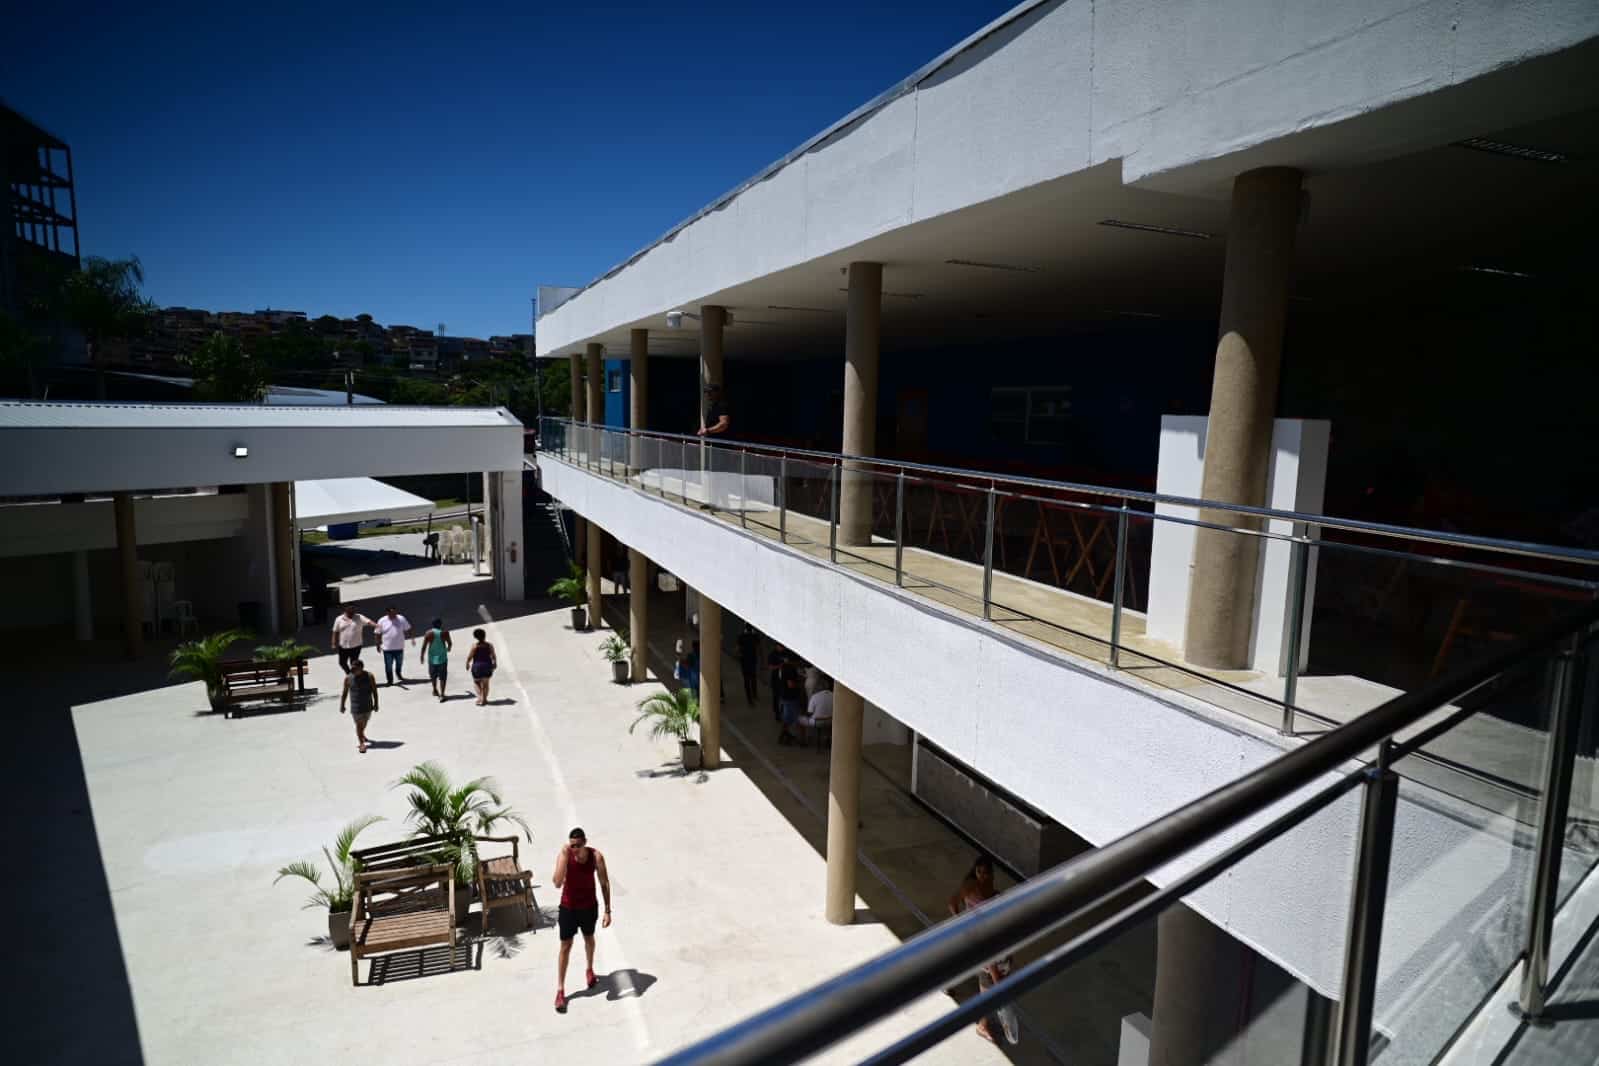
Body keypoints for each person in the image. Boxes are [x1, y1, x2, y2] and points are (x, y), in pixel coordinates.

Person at [947, 854, 1019, 1046]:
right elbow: (952, 902)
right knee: (986, 985)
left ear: (992, 875)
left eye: (986, 873)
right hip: (977, 940)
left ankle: (949, 984)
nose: (983, 876)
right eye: (979, 872)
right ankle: (983, 1025)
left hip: (984, 943)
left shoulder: (997, 897)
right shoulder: (969, 888)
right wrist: (961, 922)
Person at [552, 827, 612, 1014]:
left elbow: (604, 883)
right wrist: (563, 858)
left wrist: (608, 910)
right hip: (568, 907)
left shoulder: (596, 857)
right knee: (565, 946)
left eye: (578, 845)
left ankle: (589, 970)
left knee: (589, 938)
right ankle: (560, 990)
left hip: (588, 907)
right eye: (572, 846)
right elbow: (556, 882)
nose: (575, 849)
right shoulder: (566, 854)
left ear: (585, 842)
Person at [339, 657, 379, 754]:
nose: (352, 670)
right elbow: (344, 693)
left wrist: (376, 703)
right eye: (351, 668)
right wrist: (342, 705)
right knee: (359, 725)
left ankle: (361, 734)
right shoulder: (348, 678)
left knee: (364, 724)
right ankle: (362, 744)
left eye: (354, 669)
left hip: (368, 705)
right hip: (356, 707)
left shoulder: (370, 676)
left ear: (361, 668)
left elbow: (374, 691)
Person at [330, 604, 374, 674]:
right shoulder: (339, 619)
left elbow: (368, 621)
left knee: (353, 663)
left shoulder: (359, 617)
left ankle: (354, 677)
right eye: (350, 609)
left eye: (353, 609)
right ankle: (349, 673)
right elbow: (335, 631)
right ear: (345, 609)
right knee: (342, 663)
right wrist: (333, 643)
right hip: (343, 646)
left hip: (356, 646)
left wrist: (376, 625)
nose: (352, 610)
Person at [375, 605, 413, 686]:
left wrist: (412, 638)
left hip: (399, 647)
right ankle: (390, 680)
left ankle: (398, 674)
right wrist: (378, 645)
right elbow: (377, 633)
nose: (394, 614)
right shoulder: (382, 620)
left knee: (399, 663)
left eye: (395, 612)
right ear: (387, 613)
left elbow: (408, 628)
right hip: (387, 648)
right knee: (388, 666)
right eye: (391, 612)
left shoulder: (401, 618)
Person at [419, 618, 452, 702]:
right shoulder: (445, 633)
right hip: (442, 658)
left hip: (432, 658)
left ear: (432, 625)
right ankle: (442, 694)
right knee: (443, 677)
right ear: (440, 624)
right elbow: (450, 643)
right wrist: (448, 648)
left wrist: (422, 656)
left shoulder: (428, 633)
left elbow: (424, 646)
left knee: (433, 676)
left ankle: (434, 689)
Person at [776, 654, 805, 745]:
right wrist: (801, 683)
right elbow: (791, 684)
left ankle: (783, 735)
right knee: (799, 718)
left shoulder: (783, 667)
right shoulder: (791, 670)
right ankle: (801, 740)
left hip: (784, 696)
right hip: (791, 698)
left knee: (787, 718)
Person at [797, 677, 833, 745]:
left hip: (817, 722)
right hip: (830, 721)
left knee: (799, 719)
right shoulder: (834, 696)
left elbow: (810, 713)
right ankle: (828, 739)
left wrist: (805, 715)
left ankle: (803, 741)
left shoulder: (815, 697)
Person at [466, 628, 496, 705]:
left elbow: (470, 657)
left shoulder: (474, 646)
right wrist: (495, 663)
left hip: (477, 667)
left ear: (475, 637)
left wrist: (467, 663)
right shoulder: (489, 645)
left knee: (476, 682)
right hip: (487, 666)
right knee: (486, 684)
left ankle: (480, 697)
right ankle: (484, 699)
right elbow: (493, 656)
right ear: (484, 636)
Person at [736, 625, 760, 705]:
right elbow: (758, 647)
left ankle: (749, 699)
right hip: (753, 660)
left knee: (746, 680)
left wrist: (739, 655)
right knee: (753, 678)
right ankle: (755, 694)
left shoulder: (741, 636)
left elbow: (737, 648)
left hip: (744, 661)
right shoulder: (754, 636)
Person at [767, 643, 787, 722]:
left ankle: (783, 712)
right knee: (776, 697)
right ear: (777, 646)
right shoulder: (772, 655)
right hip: (776, 679)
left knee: (783, 696)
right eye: (781, 646)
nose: (782, 648)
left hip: (784, 679)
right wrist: (780, 666)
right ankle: (777, 713)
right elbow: (770, 667)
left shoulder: (785, 653)